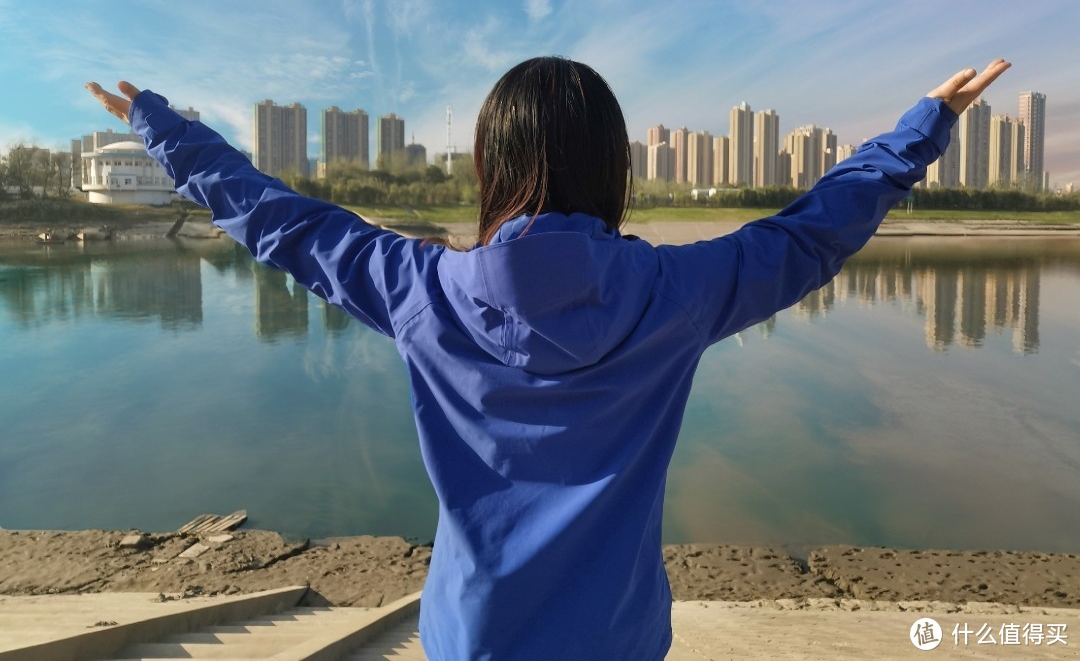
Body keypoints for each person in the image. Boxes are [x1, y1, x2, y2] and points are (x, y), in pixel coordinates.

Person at [86, 56, 1010, 660]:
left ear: (492, 165)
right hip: (617, 636)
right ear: (614, 169)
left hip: (473, 635)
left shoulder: (419, 287)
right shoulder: (673, 293)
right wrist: (919, 130)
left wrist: (164, 128)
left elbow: (280, 221)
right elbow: (811, 234)